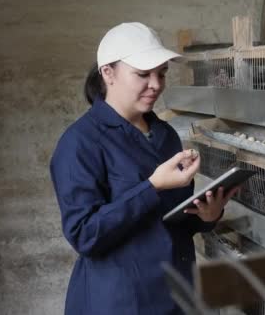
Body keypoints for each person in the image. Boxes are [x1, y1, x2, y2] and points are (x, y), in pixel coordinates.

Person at [50, 22, 238, 315]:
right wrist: (152, 186)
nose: (156, 84)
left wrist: (207, 217)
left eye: (161, 73)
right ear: (108, 73)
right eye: (142, 74)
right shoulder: (79, 143)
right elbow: (85, 235)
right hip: (119, 301)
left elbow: (171, 222)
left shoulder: (165, 135)